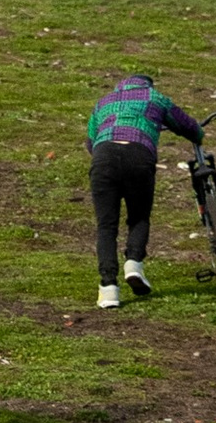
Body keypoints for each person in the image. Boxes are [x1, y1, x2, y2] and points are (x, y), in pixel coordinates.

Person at [84, 68, 203, 307]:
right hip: (139, 155)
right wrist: (198, 134)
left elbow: (90, 141)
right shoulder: (154, 98)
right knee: (138, 217)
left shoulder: (103, 102)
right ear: (147, 85)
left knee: (106, 226)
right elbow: (188, 126)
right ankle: (134, 264)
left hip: (104, 156)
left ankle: (108, 288)